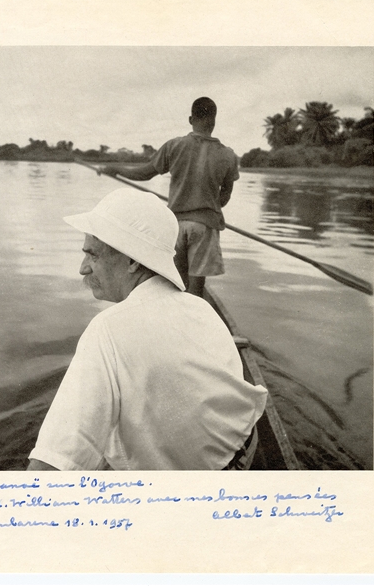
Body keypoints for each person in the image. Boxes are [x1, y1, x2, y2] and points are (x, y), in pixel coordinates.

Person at [27, 188, 267, 471]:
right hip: (248, 456)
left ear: (133, 261)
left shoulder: (107, 329)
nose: (83, 269)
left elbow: (51, 464)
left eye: (93, 255)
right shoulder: (200, 308)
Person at [100, 97, 239, 297]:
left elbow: (144, 173)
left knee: (175, 281)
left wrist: (116, 170)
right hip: (204, 226)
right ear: (214, 121)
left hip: (174, 226)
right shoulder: (228, 155)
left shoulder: (174, 146)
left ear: (191, 119)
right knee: (196, 289)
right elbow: (225, 197)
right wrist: (207, 205)